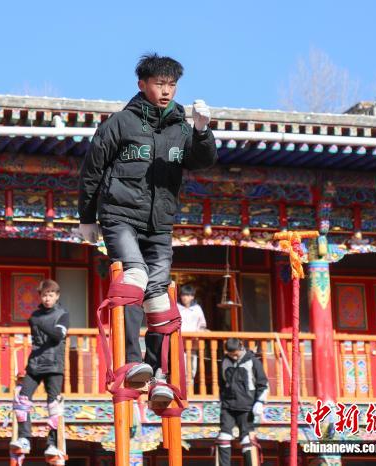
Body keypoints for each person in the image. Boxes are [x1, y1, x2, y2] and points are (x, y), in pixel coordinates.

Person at [77, 53, 217, 402]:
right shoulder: (120, 123)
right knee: (134, 278)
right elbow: (92, 170)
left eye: (172, 85)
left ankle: (156, 372)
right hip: (120, 216)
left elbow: (203, 161)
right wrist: (87, 218)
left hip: (160, 223)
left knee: (158, 295)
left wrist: (202, 131)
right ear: (142, 84)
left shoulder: (180, 128)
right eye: (159, 84)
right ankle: (131, 361)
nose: (166, 91)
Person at [10, 279, 69, 458]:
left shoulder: (63, 314)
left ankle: (52, 444)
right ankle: (24, 438)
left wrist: (41, 324)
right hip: (35, 363)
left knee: (53, 405)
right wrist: (37, 322)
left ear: (57, 296)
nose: (47, 298)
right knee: (21, 400)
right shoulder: (35, 315)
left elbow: (58, 336)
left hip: (54, 365)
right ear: (40, 296)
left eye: (50, 295)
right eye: (44, 295)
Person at [216, 338, 268, 466]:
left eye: (235, 354)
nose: (234, 357)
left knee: (246, 440)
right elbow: (222, 383)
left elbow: (263, 384)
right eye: (230, 354)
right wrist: (221, 399)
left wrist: (260, 402)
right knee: (223, 437)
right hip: (228, 405)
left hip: (246, 406)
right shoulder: (224, 361)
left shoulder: (253, 361)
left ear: (241, 348)